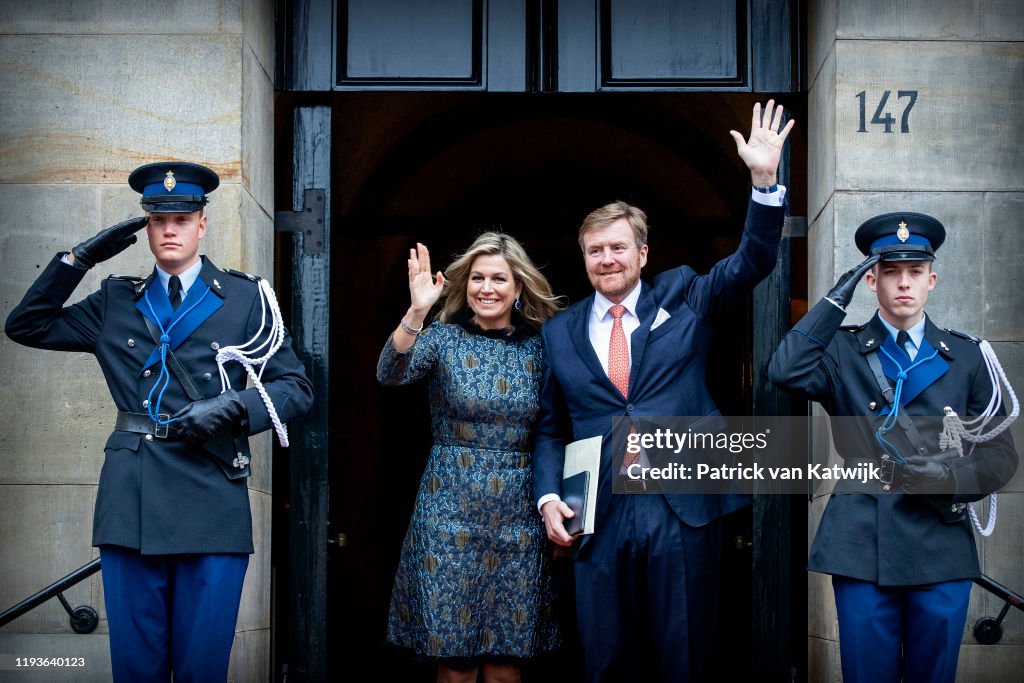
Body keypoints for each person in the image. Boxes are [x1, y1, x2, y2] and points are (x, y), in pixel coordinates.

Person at [5, 161, 314, 682]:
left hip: (212, 494)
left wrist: (234, 406)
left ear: (202, 223)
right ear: (145, 226)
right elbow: (27, 325)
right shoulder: (115, 300)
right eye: (157, 219)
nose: (169, 228)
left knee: (201, 668)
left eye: (182, 217)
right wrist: (78, 260)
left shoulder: (245, 298)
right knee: (137, 668)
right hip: (132, 500)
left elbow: (296, 389)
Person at [532, 100, 795, 681]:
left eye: (618, 247)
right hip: (596, 512)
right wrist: (550, 497)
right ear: (584, 258)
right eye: (595, 250)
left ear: (642, 254)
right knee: (606, 659)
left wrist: (763, 181)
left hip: (682, 505)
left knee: (686, 654)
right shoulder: (558, 333)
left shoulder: (684, 295)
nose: (606, 259)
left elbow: (752, 260)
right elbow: (551, 427)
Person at [768, 212, 1018, 683]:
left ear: (932, 280)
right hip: (863, 538)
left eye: (915, 272)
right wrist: (833, 302)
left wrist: (948, 479)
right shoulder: (841, 350)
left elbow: (1000, 455)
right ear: (871, 280)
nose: (903, 283)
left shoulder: (967, 355)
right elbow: (784, 371)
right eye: (889, 272)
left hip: (939, 537)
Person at [377, 233, 564, 683]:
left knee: (506, 661)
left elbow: (558, 426)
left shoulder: (543, 348)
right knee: (455, 660)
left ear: (519, 286)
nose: (487, 287)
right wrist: (417, 311)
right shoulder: (442, 339)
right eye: (477, 277)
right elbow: (390, 372)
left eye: (499, 278)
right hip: (448, 510)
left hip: (520, 514)